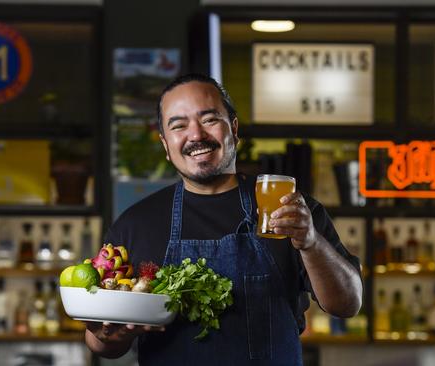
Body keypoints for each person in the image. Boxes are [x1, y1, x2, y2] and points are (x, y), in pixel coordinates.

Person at [84, 73, 362, 365]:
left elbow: (348, 304)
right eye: (179, 125)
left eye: (209, 119)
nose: (196, 135)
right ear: (166, 145)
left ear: (234, 129)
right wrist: (106, 334)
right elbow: (103, 344)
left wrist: (311, 242)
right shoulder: (135, 224)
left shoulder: (289, 210)